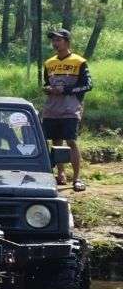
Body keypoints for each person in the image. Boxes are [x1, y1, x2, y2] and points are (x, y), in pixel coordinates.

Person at [42, 27, 92, 191]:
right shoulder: (49, 63)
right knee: (55, 141)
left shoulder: (79, 61)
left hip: (71, 108)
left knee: (71, 141)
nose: (55, 43)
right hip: (52, 109)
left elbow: (88, 85)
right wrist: (48, 89)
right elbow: (46, 83)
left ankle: (77, 178)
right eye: (53, 40)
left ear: (67, 42)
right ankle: (60, 174)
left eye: (58, 40)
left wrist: (66, 90)